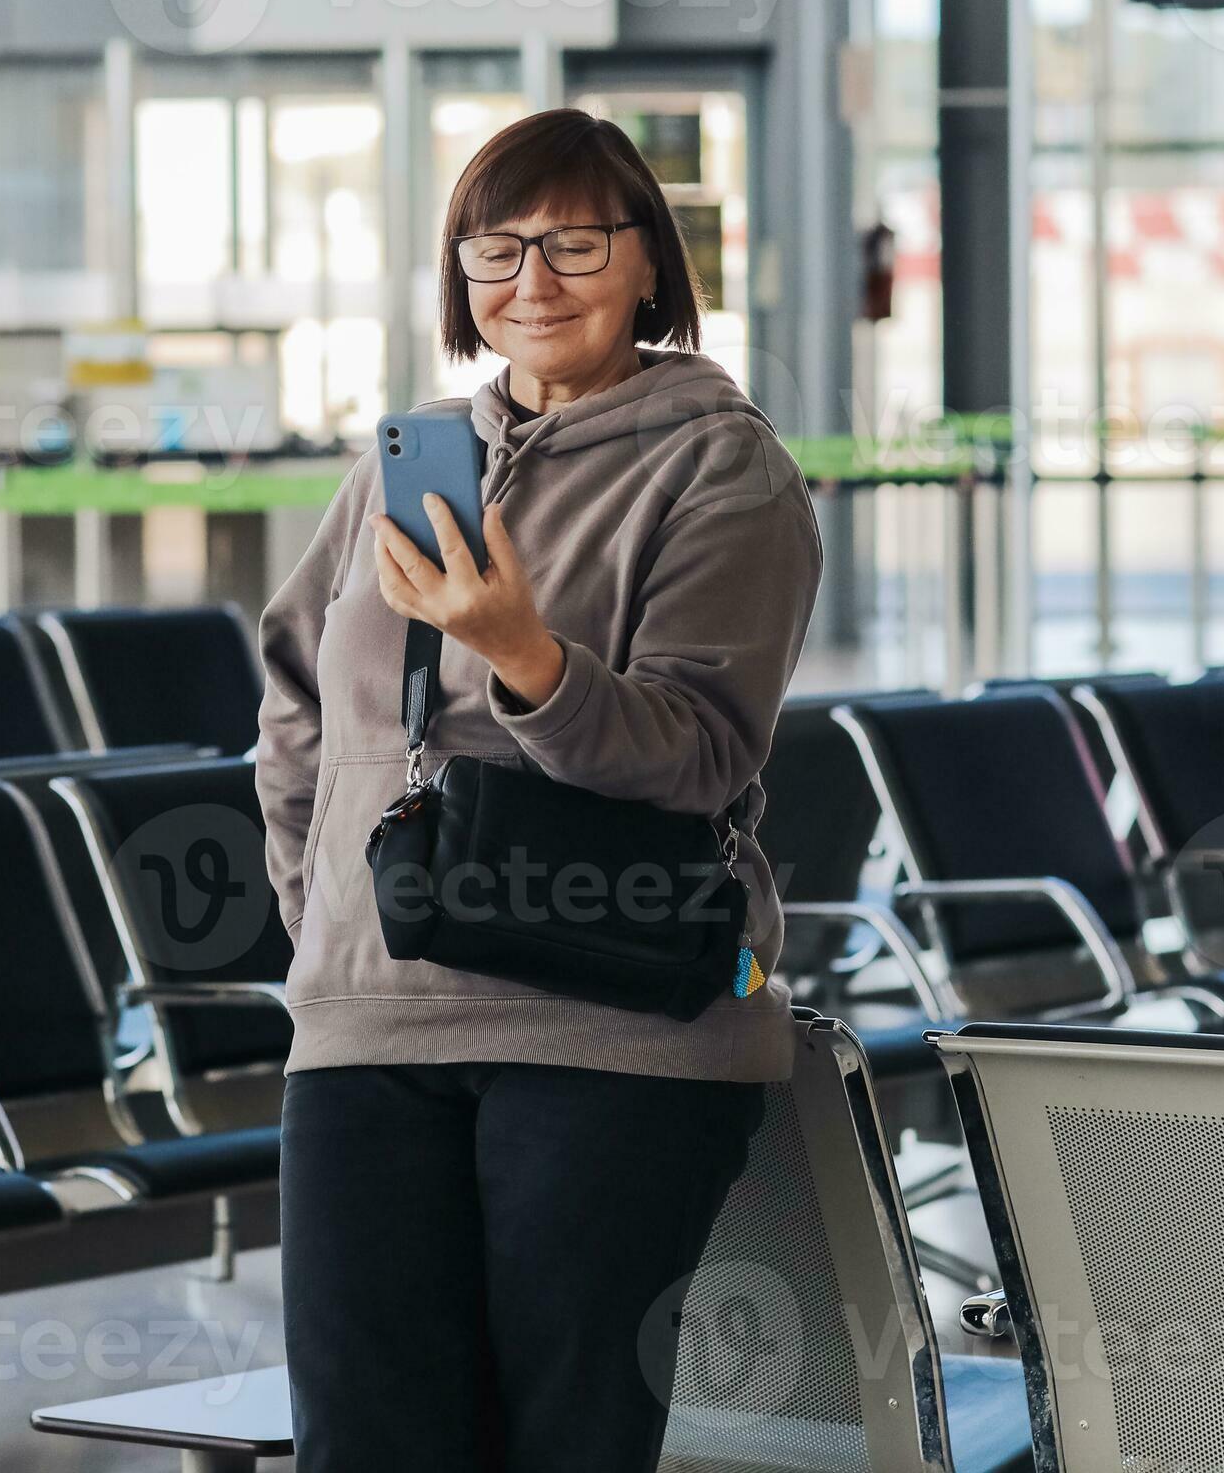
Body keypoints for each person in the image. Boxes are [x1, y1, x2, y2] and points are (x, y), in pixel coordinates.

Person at [254, 106, 825, 1473]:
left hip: (609, 1024)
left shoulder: (722, 467)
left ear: (649, 265)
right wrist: (328, 909)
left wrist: (518, 654)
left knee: (567, 1440)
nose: (530, 281)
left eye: (573, 244)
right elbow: (295, 700)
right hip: (371, 1027)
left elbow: (697, 753)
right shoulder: (405, 467)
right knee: (366, 1440)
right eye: (494, 250)